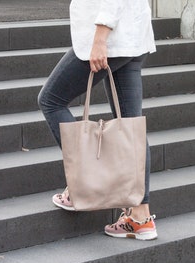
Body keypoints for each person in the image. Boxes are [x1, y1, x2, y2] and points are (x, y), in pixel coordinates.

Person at [38, 0, 158, 240]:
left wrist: (101, 36)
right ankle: (140, 216)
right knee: (130, 126)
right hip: (132, 34)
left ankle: (85, 185)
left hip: (111, 36)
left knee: (51, 100)